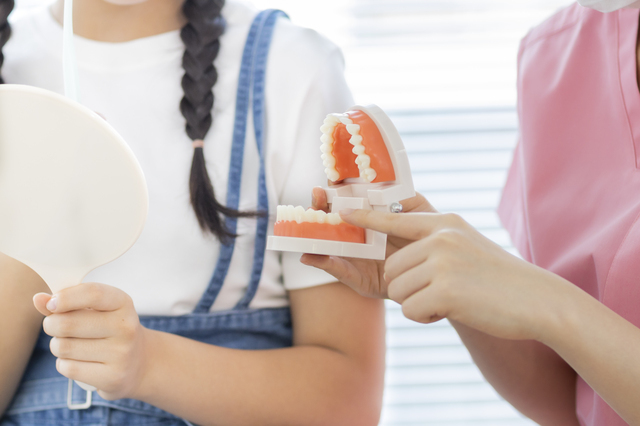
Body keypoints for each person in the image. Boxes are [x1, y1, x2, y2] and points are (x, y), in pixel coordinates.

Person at [0, 1, 385, 425]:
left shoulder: (291, 69)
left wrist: (148, 364)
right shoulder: (14, 65)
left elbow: (349, 402)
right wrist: (37, 219)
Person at [303, 1, 640, 425]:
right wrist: (447, 278)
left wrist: (553, 306)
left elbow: (557, 313)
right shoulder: (555, 56)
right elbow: (567, 401)